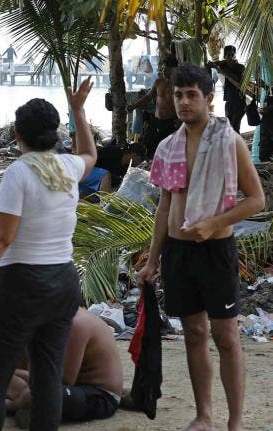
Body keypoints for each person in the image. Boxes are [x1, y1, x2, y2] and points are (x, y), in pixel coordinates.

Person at [0, 77, 98, 430]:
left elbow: (1, 239)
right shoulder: (67, 166)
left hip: (20, 283)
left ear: (17, 133)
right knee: (48, 375)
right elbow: (91, 154)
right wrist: (79, 111)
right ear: (54, 133)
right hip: (63, 280)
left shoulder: (18, 173)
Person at [138, 64, 265, 431]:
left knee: (226, 336)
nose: (183, 102)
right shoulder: (167, 146)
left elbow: (256, 199)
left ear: (209, 98)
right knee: (193, 333)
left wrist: (215, 223)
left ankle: (235, 422)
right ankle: (204, 415)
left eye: (192, 94)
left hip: (215, 251)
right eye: (178, 95)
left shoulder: (229, 141)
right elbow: (165, 207)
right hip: (179, 253)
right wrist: (153, 258)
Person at [5, 308, 123, 427]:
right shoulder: (43, 319)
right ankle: (22, 402)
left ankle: (12, 404)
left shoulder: (75, 323)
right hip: (64, 384)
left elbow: (63, 380)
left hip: (99, 395)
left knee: (35, 395)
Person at [128, 57, 181, 158]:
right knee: (149, 146)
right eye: (163, 68)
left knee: (169, 150)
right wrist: (134, 106)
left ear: (174, 69)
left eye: (167, 69)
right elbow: (148, 96)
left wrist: (180, 119)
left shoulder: (180, 84)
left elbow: (184, 103)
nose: (164, 71)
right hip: (157, 120)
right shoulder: (158, 82)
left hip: (172, 122)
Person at [208, 46, 247, 133]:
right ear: (225, 56)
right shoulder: (224, 65)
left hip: (239, 103)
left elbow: (238, 82)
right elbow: (212, 63)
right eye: (228, 55)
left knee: (235, 129)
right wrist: (223, 63)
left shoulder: (240, 67)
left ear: (235, 55)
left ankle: (238, 146)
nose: (230, 57)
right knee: (229, 129)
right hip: (229, 102)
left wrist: (224, 71)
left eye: (232, 55)